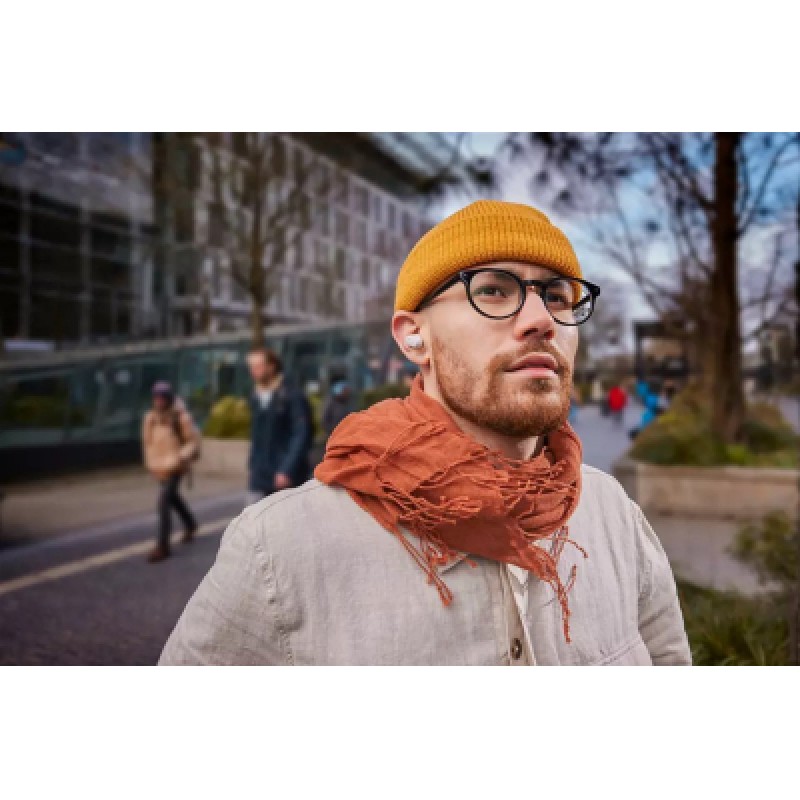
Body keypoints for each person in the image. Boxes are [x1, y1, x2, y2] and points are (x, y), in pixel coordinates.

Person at [161, 200, 690, 666]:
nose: (541, 319)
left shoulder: (614, 516)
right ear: (414, 336)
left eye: (556, 296)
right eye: (493, 290)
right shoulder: (280, 548)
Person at [245, 347, 312, 506]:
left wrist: (287, 469)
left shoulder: (291, 395)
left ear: (271, 367)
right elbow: (257, 436)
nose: (253, 371)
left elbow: (301, 434)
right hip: (260, 475)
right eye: (251, 367)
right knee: (253, 517)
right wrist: (253, 466)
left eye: (258, 366)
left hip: (285, 475)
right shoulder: (255, 395)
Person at [141, 381, 200, 563]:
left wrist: (182, 456)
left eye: (162, 397)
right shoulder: (150, 418)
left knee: (164, 502)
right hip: (159, 467)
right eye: (156, 397)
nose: (159, 401)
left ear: (169, 398)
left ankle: (163, 546)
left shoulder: (180, 417)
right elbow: (148, 443)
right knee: (173, 498)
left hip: (176, 466)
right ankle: (190, 523)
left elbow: (192, 442)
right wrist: (151, 465)